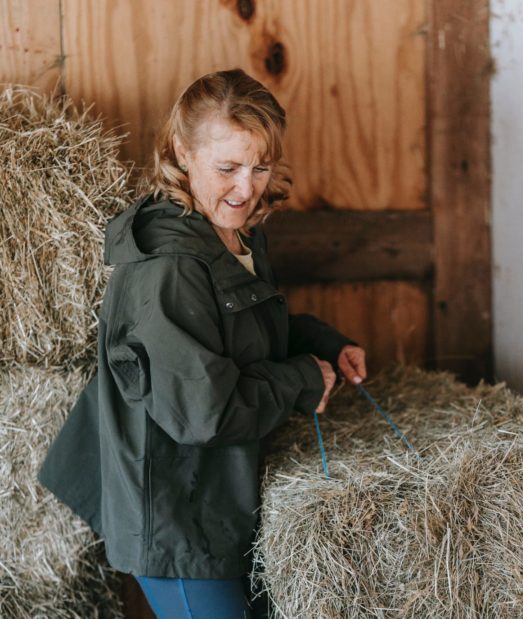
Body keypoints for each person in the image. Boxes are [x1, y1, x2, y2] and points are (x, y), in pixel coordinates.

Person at [39, 68, 367, 618]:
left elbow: (239, 333)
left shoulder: (235, 232)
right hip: (175, 509)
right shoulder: (168, 266)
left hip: (218, 495)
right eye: (228, 168)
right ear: (181, 151)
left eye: (260, 166)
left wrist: (323, 343)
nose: (247, 187)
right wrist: (303, 379)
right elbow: (206, 411)